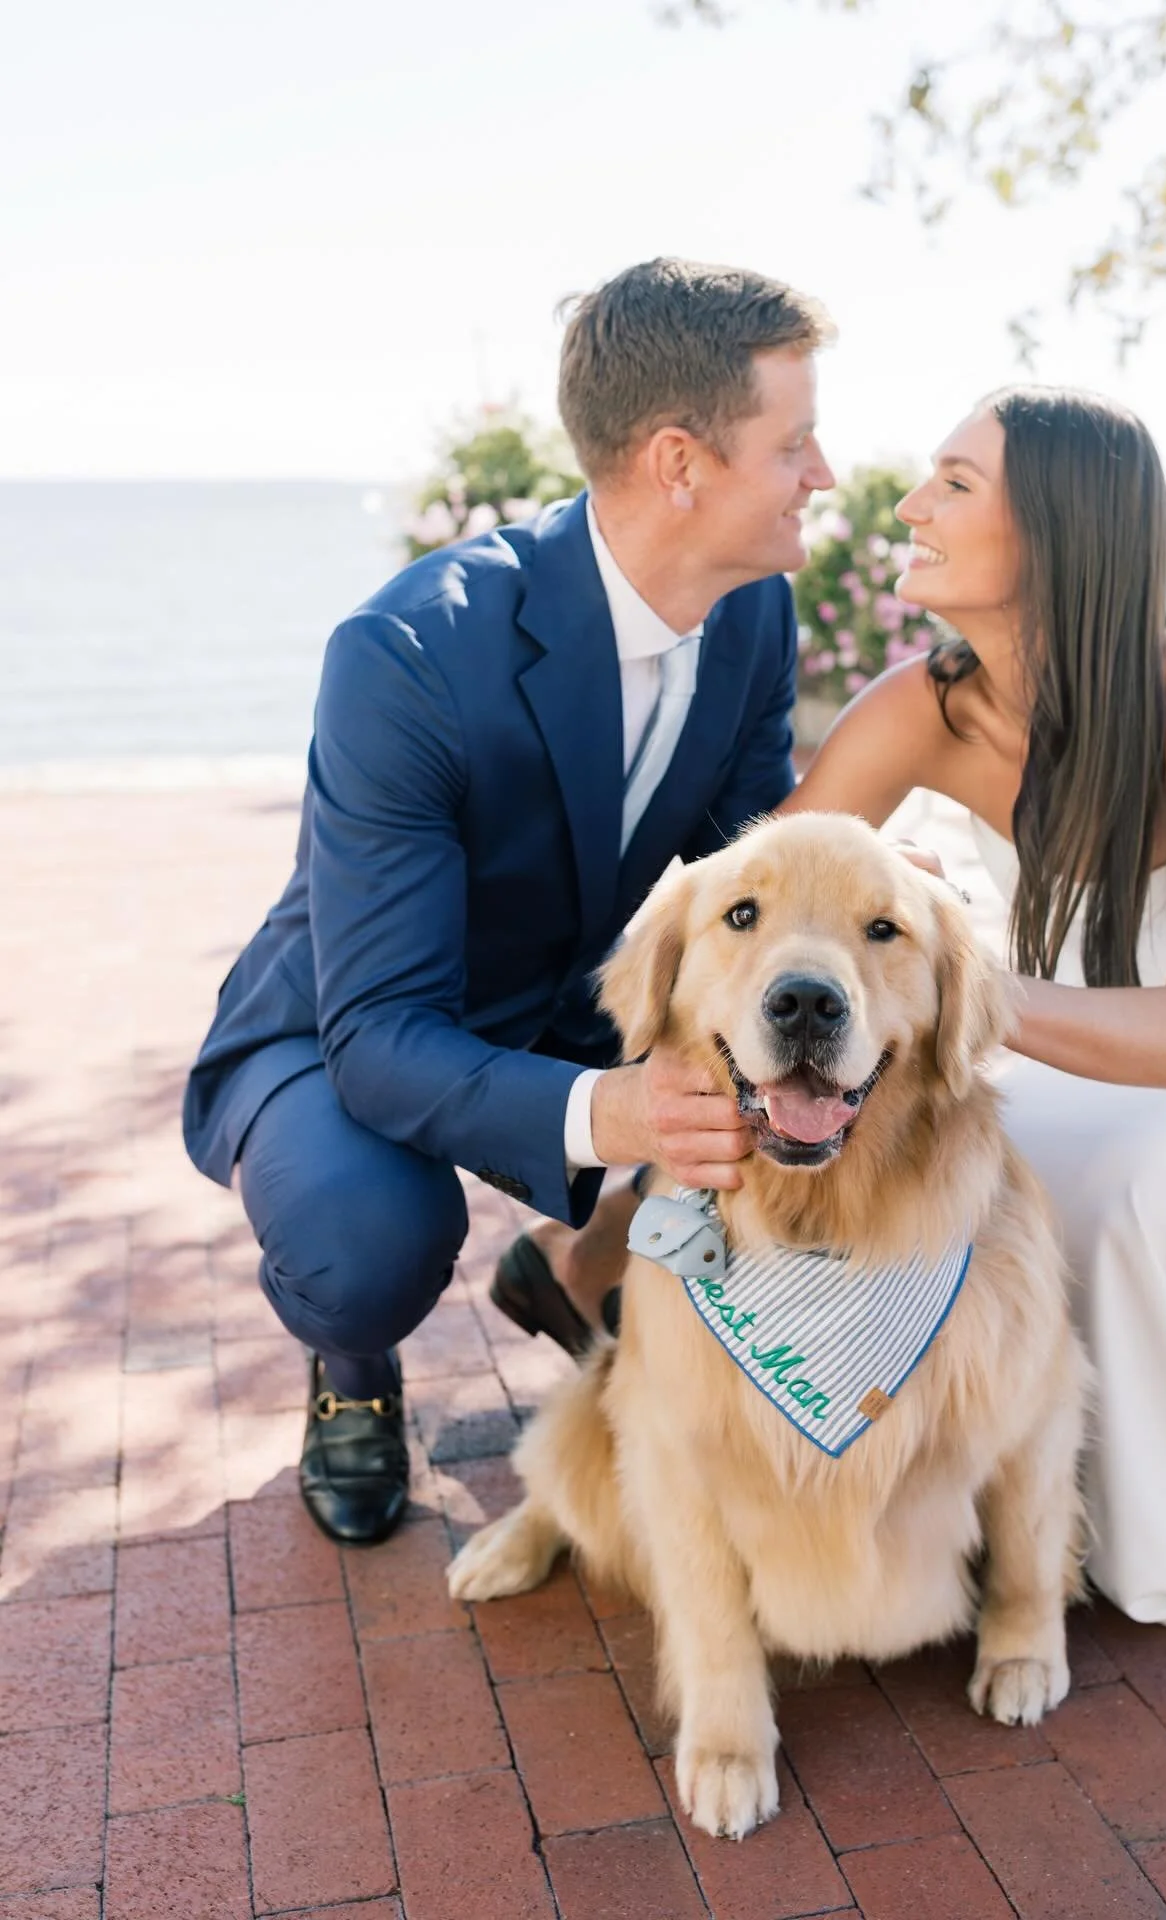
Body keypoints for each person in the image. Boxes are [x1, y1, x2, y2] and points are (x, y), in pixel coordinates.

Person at [182, 259, 835, 1545]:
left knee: (805, 1087)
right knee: (368, 1244)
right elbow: (379, 1033)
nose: (821, 474)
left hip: (580, 1001)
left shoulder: (755, 613)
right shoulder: (408, 655)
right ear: (678, 463)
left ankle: (585, 1276)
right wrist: (623, 1109)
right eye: (796, 443)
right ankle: (352, 1369)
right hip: (351, 1025)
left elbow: (737, 878)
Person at [782, 385, 1166, 1637]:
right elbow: (777, 887)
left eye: (955, 484)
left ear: (1062, 533)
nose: (908, 505)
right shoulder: (924, 707)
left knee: (1131, 1198)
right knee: (932, 1165)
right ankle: (951, 1499)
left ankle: (1154, 1526)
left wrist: (958, 976)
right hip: (1080, 1057)